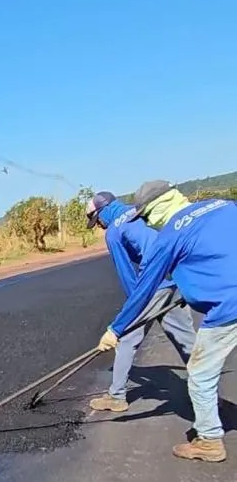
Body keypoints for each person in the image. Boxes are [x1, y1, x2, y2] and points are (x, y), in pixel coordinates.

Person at [98, 180, 237, 462]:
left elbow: (143, 288)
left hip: (228, 307)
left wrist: (116, 329)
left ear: (158, 206)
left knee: (198, 373)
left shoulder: (169, 236)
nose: (148, 223)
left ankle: (209, 440)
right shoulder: (223, 206)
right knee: (190, 346)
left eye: (147, 216)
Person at [86, 191, 196, 413]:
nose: (98, 226)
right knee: (187, 342)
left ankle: (116, 396)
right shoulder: (138, 212)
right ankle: (205, 393)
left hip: (154, 286)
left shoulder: (114, 232)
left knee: (126, 338)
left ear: (102, 212)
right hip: (174, 279)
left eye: (97, 221)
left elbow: (128, 277)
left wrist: (128, 317)